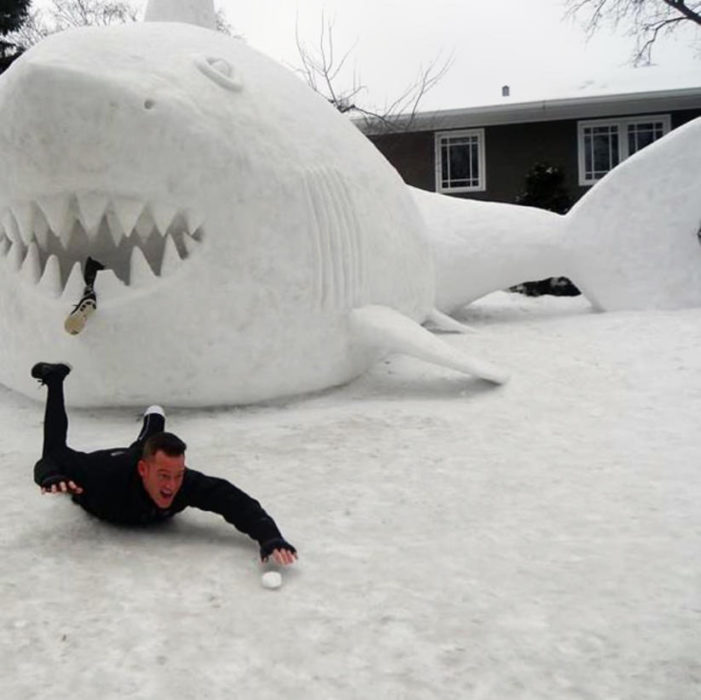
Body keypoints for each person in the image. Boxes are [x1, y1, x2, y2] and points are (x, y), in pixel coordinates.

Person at [31, 362, 297, 566]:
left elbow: (235, 501)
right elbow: (49, 460)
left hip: (140, 456)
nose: (172, 485)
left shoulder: (183, 482)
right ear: (143, 471)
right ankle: (55, 379)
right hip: (114, 461)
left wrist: (269, 536)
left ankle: (154, 416)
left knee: (147, 446)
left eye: (178, 475)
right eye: (164, 476)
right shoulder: (102, 476)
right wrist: (50, 476)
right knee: (56, 446)